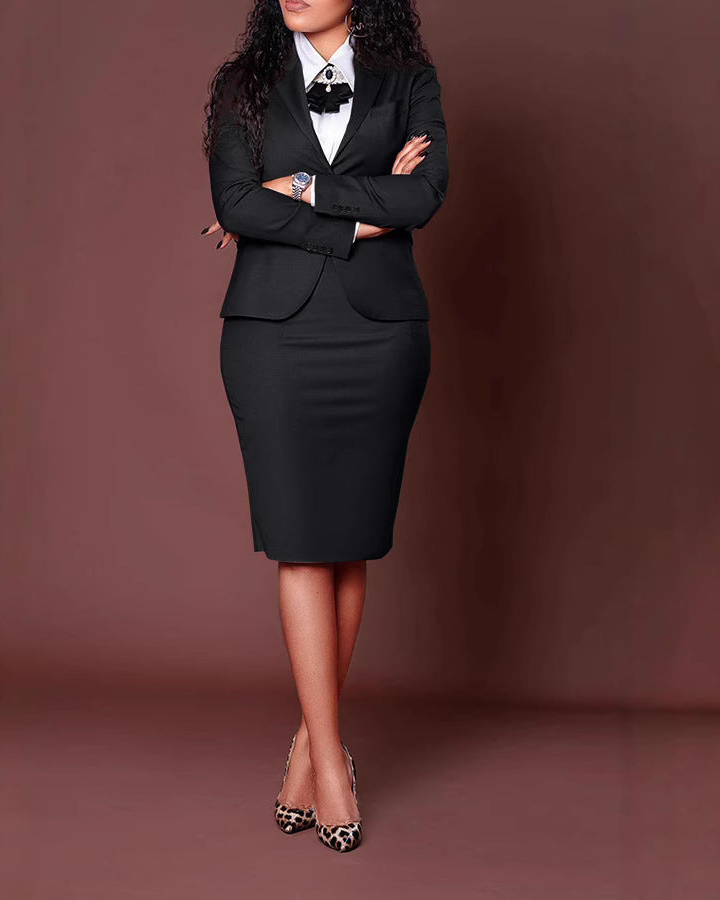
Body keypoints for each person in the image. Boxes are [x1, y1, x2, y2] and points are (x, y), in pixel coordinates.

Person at [201, 0, 448, 853]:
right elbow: (236, 205)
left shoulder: (409, 82)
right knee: (303, 543)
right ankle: (334, 764)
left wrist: (303, 186)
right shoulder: (242, 85)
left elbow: (425, 196)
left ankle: (310, 742)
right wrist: (363, 212)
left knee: (349, 543)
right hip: (273, 338)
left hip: (381, 336)